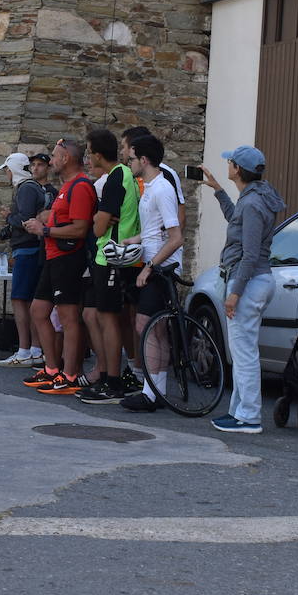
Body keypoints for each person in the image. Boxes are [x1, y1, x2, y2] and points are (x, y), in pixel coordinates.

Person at [203, 145, 285, 434]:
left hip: (248, 282)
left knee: (244, 353)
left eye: (230, 162)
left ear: (237, 169)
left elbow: (249, 254)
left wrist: (235, 292)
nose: (228, 165)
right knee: (242, 352)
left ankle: (249, 416)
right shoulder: (256, 197)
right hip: (254, 281)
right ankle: (239, 413)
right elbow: (237, 222)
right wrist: (218, 190)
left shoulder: (252, 203)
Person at [20, 138, 95, 395]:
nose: (50, 161)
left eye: (54, 156)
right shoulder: (67, 187)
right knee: (38, 311)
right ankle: (52, 369)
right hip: (53, 256)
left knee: (68, 317)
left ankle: (70, 374)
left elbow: (81, 228)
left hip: (68, 258)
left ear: (66, 159)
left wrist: (46, 229)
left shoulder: (82, 186)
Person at [79, 129, 143, 404]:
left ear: (97, 154)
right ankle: (106, 375)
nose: (87, 157)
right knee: (98, 316)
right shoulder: (121, 176)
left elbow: (99, 225)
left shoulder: (116, 178)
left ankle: (113, 381)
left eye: (88, 151)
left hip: (112, 256)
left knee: (109, 318)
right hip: (107, 257)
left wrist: (97, 218)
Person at [121, 134, 183, 413]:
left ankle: (151, 392)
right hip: (155, 261)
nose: (129, 162)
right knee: (154, 329)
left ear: (144, 160)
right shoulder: (150, 187)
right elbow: (154, 232)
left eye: (132, 158)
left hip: (161, 267)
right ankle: (157, 391)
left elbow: (176, 237)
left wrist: (149, 268)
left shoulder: (161, 190)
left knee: (145, 326)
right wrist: (132, 242)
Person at [0, 153, 46, 367]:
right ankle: (34, 350)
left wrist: (8, 217)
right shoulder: (33, 187)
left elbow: (26, 220)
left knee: (20, 300)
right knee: (31, 301)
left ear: (14, 169)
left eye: (7, 169)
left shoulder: (26, 188)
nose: (6, 174)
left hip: (26, 250)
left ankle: (25, 350)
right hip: (31, 248)